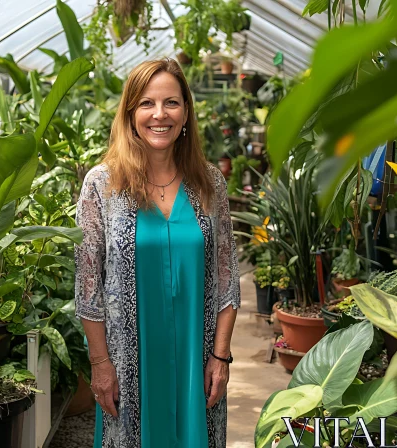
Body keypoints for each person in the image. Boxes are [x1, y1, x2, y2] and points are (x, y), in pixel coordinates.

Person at [74, 58, 241, 448]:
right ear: (130, 113)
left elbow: (227, 278)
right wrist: (100, 365)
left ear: (186, 113)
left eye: (172, 103)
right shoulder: (102, 186)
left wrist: (220, 358)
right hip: (128, 364)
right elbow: (88, 287)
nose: (159, 114)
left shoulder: (210, 183)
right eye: (147, 103)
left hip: (196, 362)